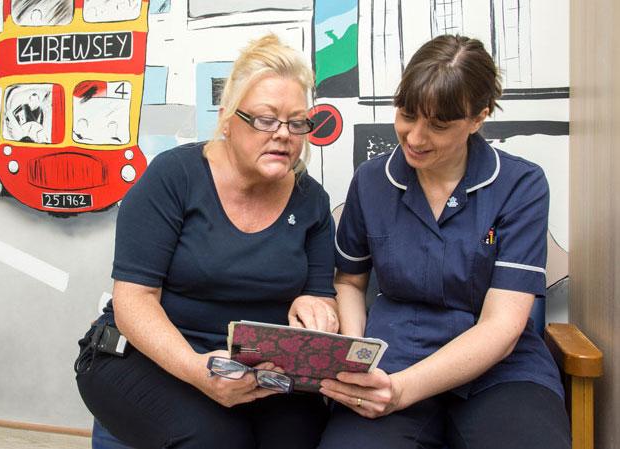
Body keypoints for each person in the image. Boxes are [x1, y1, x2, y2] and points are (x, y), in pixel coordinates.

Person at [75, 34, 338, 449]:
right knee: (217, 441)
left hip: (257, 370)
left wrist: (316, 307)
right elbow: (134, 300)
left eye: (297, 122)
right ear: (229, 118)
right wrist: (199, 370)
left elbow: (321, 294)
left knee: (307, 435)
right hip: (148, 358)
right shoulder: (172, 178)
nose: (284, 134)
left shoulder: (312, 201)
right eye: (266, 120)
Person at [317, 35, 571, 449]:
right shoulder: (371, 180)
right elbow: (350, 281)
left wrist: (402, 389)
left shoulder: (520, 185)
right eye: (407, 114)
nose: (415, 137)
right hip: (391, 358)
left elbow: (502, 327)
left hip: (500, 371)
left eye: (438, 124)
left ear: (477, 118)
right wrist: (358, 357)